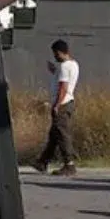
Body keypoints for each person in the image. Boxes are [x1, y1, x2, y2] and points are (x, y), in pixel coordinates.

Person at [32, 39, 80, 176]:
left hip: (63, 103)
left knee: (62, 134)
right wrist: (54, 71)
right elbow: (64, 80)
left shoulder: (65, 66)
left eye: (55, 53)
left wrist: (57, 105)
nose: (54, 56)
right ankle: (42, 162)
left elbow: (63, 87)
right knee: (54, 135)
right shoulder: (73, 65)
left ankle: (69, 164)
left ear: (60, 52)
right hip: (68, 102)